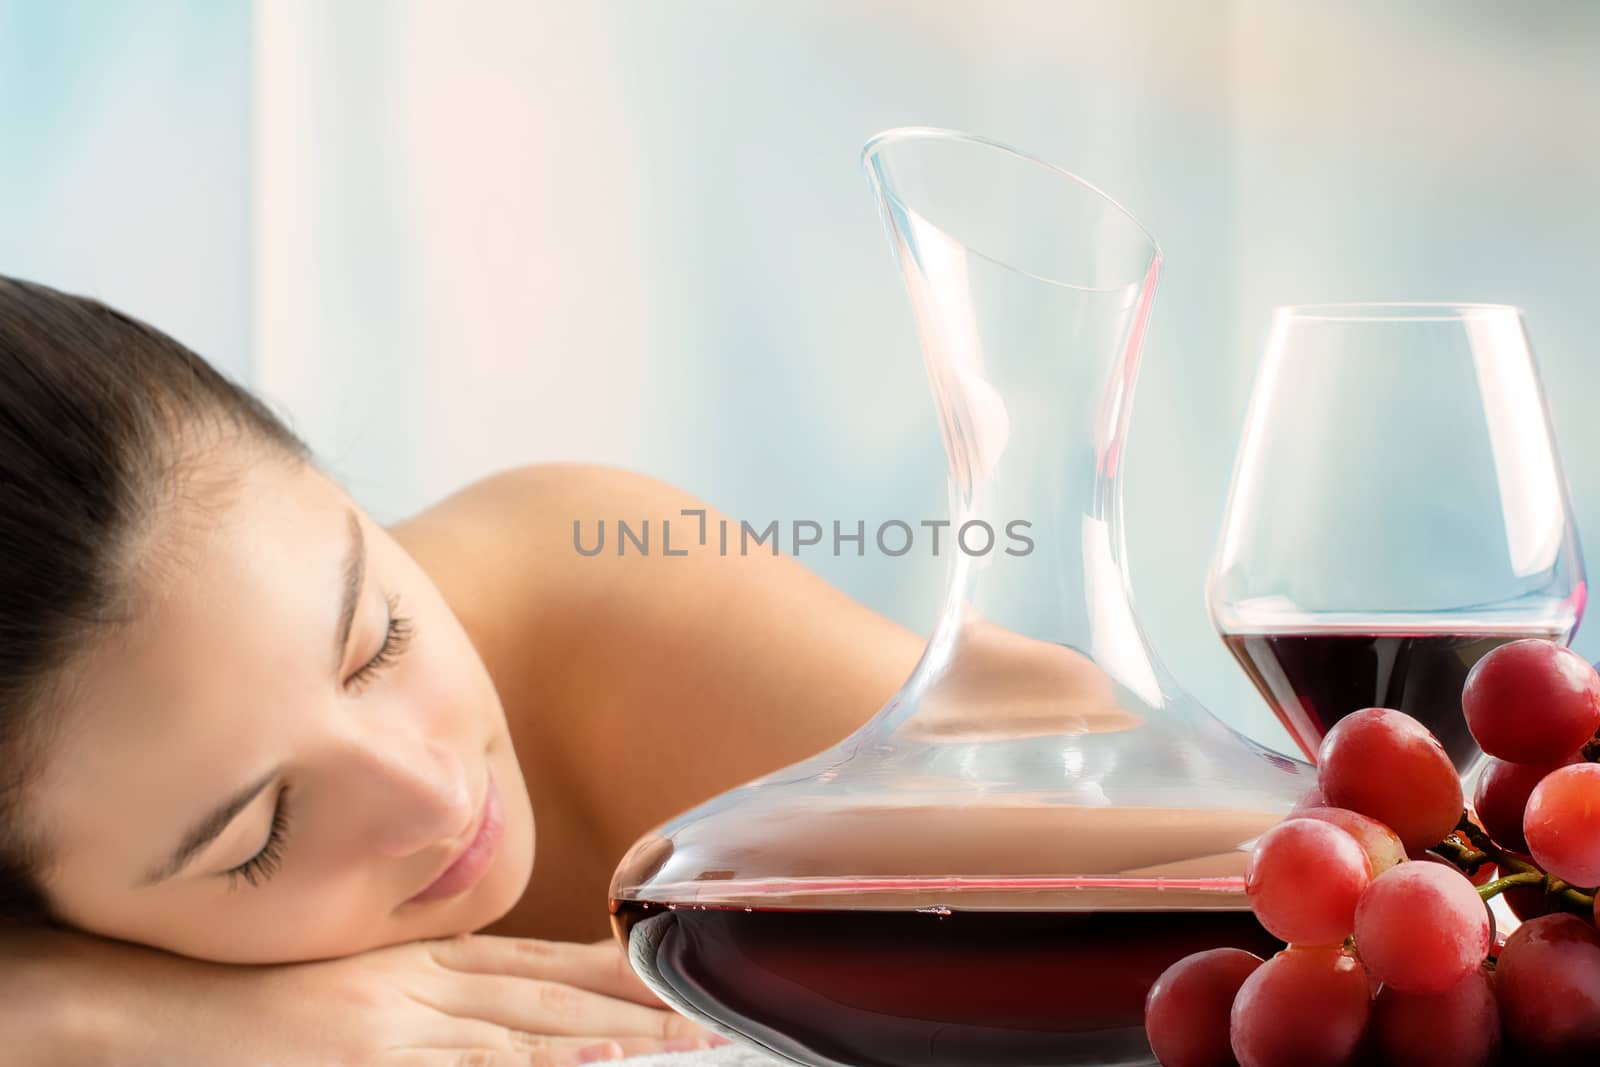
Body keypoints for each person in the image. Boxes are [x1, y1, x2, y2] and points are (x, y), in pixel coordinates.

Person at [0, 276, 927, 1065]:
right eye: (260, 834)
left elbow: (1062, 834)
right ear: (49, 916)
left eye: (379, 642)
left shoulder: (583, 593)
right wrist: (98, 1012)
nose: (440, 796)